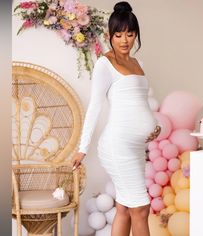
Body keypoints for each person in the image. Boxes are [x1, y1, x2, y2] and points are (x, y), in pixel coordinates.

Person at [72, 2, 160, 236]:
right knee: (140, 209)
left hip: (136, 147)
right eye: (118, 34)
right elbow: (95, 106)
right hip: (117, 146)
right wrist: (82, 148)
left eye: (130, 34)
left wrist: (154, 127)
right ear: (109, 35)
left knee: (124, 208)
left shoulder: (138, 64)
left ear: (136, 35)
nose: (124, 40)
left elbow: (138, 102)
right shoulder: (105, 64)